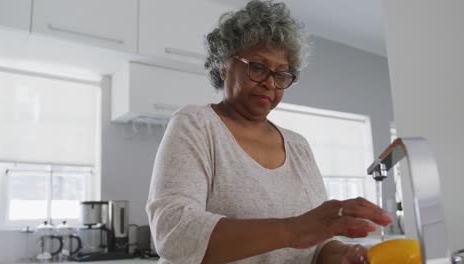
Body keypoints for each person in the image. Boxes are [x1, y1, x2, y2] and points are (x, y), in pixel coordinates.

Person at [146, 1, 393, 263]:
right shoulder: (196, 124)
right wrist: (293, 229)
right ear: (224, 65)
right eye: (258, 67)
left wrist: (343, 254)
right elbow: (174, 232)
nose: (269, 83)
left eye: (281, 74)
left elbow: (316, 247)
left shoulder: (299, 146)